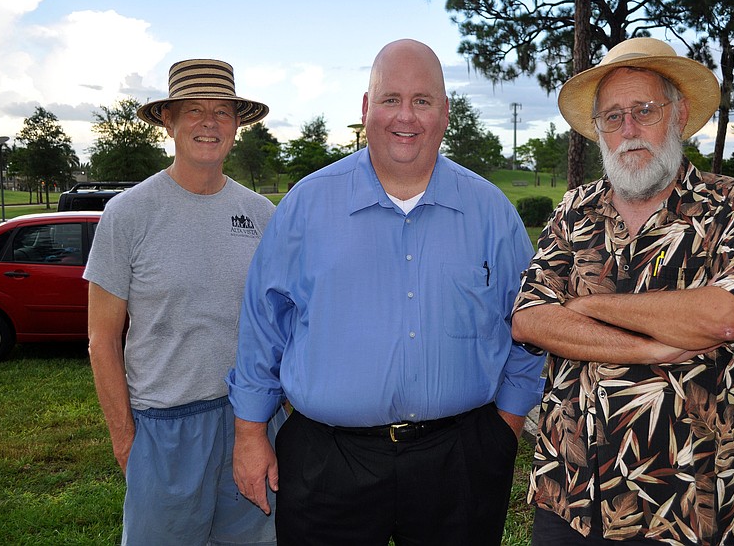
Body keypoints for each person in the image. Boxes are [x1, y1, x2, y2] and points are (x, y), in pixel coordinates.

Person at [226, 39, 543, 545]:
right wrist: (248, 434)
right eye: (391, 98)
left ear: (445, 112)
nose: (406, 116)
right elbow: (262, 325)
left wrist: (504, 427)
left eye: (423, 100)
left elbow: (530, 324)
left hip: (459, 458)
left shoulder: (491, 213)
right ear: (366, 108)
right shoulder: (306, 206)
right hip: (327, 464)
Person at [511, 37, 734, 545]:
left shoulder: (731, 204)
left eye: (644, 111)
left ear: (679, 113)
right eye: (612, 117)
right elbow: (529, 319)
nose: (628, 130)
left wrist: (584, 306)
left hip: (685, 504)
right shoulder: (574, 211)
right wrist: (653, 345)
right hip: (569, 496)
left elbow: (722, 317)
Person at [85, 59, 286, 545]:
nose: (209, 122)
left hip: (251, 420)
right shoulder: (127, 214)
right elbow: (102, 338)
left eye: (222, 111)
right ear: (168, 122)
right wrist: (126, 440)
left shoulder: (261, 214)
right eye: (194, 110)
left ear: (238, 124)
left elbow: (283, 323)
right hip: (164, 427)